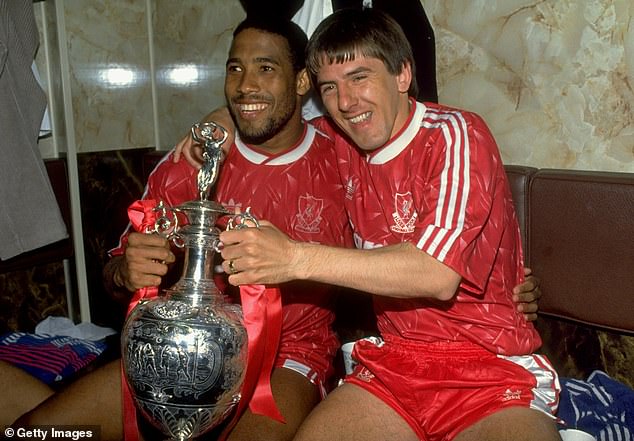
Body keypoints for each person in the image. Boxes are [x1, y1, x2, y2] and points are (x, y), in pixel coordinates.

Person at [11, 13, 541, 441]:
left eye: (266, 69)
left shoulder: (343, 149)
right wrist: (124, 272)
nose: (247, 86)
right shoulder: (196, 160)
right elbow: (116, 272)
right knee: (41, 435)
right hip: (181, 350)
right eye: (235, 71)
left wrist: (500, 275)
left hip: (293, 356)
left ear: (299, 81)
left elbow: (439, 256)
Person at [201, 9, 560, 441]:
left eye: (360, 77)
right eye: (330, 87)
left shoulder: (455, 133)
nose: (346, 102)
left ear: (403, 74)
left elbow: (438, 274)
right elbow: (275, 122)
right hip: (397, 366)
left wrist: (294, 257)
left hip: (488, 366)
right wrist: (220, 120)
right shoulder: (339, 141)